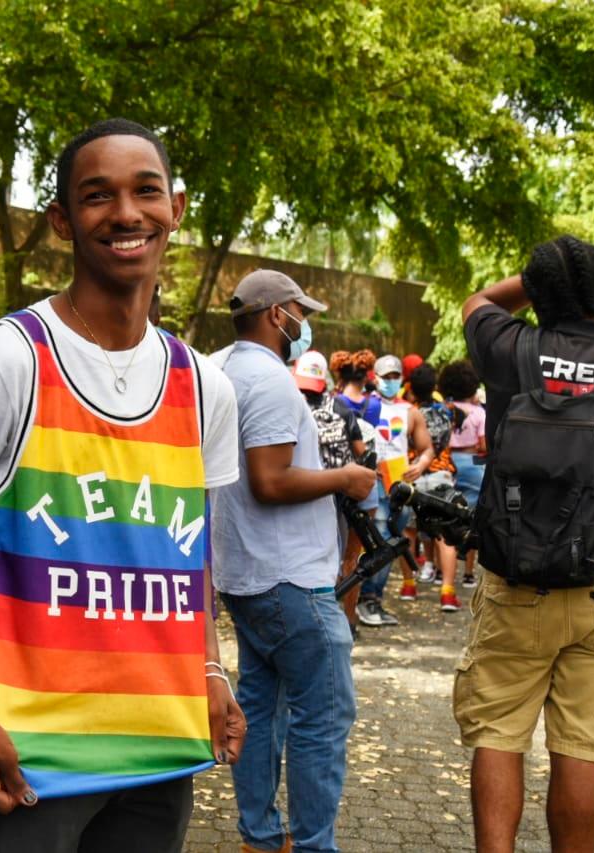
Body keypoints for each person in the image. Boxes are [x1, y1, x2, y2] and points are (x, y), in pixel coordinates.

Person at [0, 118, 244, 852]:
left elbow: (187, 559)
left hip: (159, 756)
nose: (127, 213)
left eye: (146, 191)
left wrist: (210, 668)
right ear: (61, 221)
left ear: (175, 207)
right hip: (30, 766)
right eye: (97, 195)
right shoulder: (5, 363)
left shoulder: (205, 387)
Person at [459, 235, 594, 853]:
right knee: (582, 747)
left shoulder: (513, 349)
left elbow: (477, 300)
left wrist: (541, 280)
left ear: (539, 294)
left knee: (500, 733)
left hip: (517, 576)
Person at [213, 269, 376, 853]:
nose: (304, 325)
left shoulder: (216, 369)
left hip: (243, 571)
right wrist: (347, 478)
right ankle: (312, 845)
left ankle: (259, 835)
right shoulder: (273, 382)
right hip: (290, 579)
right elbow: (269, 480)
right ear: (277, 314)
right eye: (300, 314)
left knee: (258, 705)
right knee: (323, 720)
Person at [354, 353, 433, 625]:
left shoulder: (410, 412)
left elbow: (427, 448)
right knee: (380, 540)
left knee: (394, 541)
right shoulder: (365, 406)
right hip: (372, 482)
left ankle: (372, 600)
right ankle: (366, 599)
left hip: (400, 484)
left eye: (394, 376)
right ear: (374, 377)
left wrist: (421, 465)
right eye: (385, 376)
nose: (390, 381)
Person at [293, 350, 367, 632]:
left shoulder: (290, 403)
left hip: (299, 490)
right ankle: (343, 619)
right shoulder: (341, 410)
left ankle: (313, 619)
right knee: (343, 558)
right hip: (339, 495)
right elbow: (361, 451)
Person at [403, 364, 462, 611]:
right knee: (444, 534)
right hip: (441, 476)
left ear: (412, 390)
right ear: (434, 387)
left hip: (412, 475)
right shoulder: (448, 412)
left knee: (408, 532)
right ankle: (447, 592)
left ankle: (408, 585)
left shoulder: (407, 413)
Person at [438, 360, 485, 587]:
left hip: (446, 463)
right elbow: (483, 444)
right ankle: (468, 573)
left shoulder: (443, 410)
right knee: (470, 518)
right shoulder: (478, 412)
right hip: (473, 464)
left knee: (444, 514)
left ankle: (439, 570)